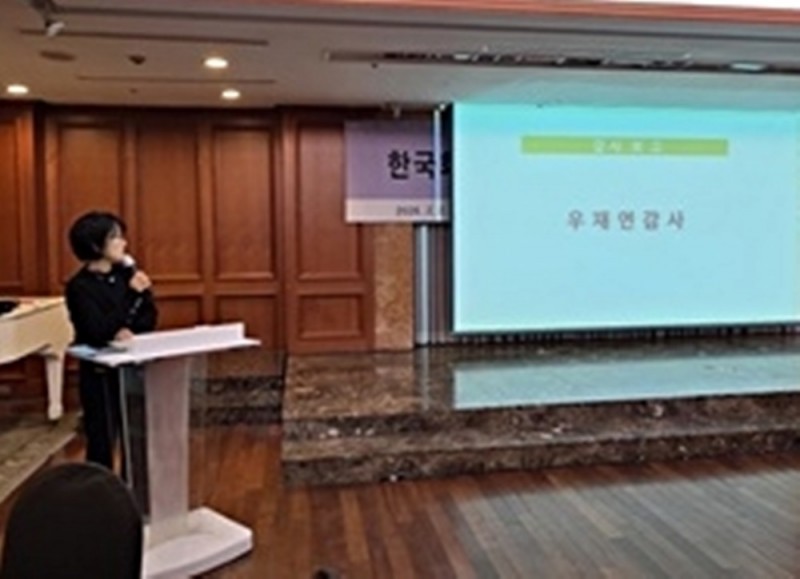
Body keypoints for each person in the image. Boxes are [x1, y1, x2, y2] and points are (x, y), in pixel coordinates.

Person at [65, 211, 157, 472]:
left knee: (135, 438)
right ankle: (100, 491)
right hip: (99, 375)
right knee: (102, 439)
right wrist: (130, 297)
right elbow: (97, 330)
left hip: (132, 367)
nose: (123, 243)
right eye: (115, 237)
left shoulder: (127, 275)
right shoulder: (79, 287)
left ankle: (135, 491)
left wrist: (134, 308)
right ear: (96, 245)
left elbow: (148, 317)